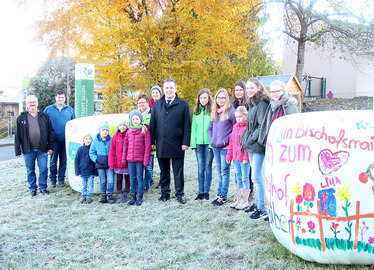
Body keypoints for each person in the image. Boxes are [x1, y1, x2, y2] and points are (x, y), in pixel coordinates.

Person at [150, 78, 191, 204]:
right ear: (163, 89)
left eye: (171, 87)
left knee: (178, 171)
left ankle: (179, 194)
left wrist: (185, 142)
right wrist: (152, 142)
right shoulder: (157, 104)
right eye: (166, 88)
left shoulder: (183, 104)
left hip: (178, 144)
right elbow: (153, 124)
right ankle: (165, 193)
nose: (168, 90)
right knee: (164, 171)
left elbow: (187, 125)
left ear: (175, 89)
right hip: (161, 143)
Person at [241, 78, 270, 219]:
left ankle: (262, 208)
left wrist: (250, 139)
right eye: (247, 88)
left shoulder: (261, 104)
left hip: (257, 145)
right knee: (254, 178)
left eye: (252, 87)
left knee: (257, 178)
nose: (249, 90)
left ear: (258, 88)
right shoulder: (252, 104)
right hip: (251, 146)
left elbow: (261, 126)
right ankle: (258, 204)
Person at [15, 95, 54, 196]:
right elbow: (17, 135)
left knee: (44, 169)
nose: (32, 104)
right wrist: (18, 151)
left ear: (37, 103)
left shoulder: (44, 116)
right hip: (28, 150)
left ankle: (43, 188)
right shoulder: (21, 117)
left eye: (34, 102)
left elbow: (50, 132)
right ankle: (33, 189)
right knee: (30, 170)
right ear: (26, 104)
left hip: (42, 149)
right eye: (30, 102)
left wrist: (50, 147)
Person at [208, 88, 236, 206]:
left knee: (225, 171)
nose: (220, 100)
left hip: (225, 148)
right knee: (219, 171)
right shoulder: (214, 111)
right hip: (215, 146)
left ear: (227, 99)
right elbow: (210, 128)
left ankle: (223, 196)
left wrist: (226, 140)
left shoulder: (231, 112)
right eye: (218, 98)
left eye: (223, 98)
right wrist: (212, 140)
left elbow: (235, 129)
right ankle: (219, 194)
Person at [44, 90, 75, 188]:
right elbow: (44, 124)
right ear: (55, 98)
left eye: (62, 97)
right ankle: (52, 180)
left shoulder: (69, 109)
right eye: (59, 97)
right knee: (53, 161)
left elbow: (74, 123)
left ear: (64, 98)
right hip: (53, 140)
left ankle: (61, 179)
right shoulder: (49, 109)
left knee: (64, 161)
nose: (61, 99)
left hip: (66, 140)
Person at [258, 80, 300, 147]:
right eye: (272, 92)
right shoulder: (271, 106)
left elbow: (296, 128)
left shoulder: (290, 107)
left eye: (277, 91)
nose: (275, 94)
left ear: (283, 91)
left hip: (287, 144)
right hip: (273, 143)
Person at [122, 110, 151, 206]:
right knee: (132, 178)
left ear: (140, 120)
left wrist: (146, 160)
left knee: (139, 178)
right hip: (130, 160)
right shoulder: (129, 131)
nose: (135, 121)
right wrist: (124, 159)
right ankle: (133, 196)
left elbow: (147, 146)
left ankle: (139, 196)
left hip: (140, 160)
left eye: (137, 119)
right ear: (131, 120)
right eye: (133, 119)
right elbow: (125, 146)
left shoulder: (144, 130)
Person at [190, 88, 214, 200]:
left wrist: (211, 144)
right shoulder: (196, 111)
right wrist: (193, 144)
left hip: (209, 143)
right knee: (200, 167)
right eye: (201, 98)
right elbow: (194, 128)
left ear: (209, 98)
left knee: (208, 167)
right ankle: (200, 192)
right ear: (198, 99)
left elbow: (214, 128)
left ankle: (207, 191)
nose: (203, 100)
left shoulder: (212, 110)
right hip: (199, 143)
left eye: (205, 97)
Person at [226, 106, 251, 210]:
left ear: (245, 116)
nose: (238, 119)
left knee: (245, 178)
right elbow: (232, 143)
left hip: (244, 159)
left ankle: (245, 200)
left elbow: (248, 144)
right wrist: (229, 155)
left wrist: (246, 157)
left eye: (240, 117)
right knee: (238, 178)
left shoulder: (248, 127)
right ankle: (238, 199)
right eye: (237, 117)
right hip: (236, 158)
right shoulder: (235, 127)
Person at [89, 122, 114, 204]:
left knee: (110, 180)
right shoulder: (95, 141)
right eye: (103, 130)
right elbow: (91, 152)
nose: (105, 132)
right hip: (100, 164)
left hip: (109, 164)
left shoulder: (111, 140)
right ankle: (103, 195)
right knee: (103, 180)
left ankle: (109, 195)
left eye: (107, 130)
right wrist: (96, 159)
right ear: (100, 131)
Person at [108, 119, 130, 203]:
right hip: (118, 162)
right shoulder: (115, 136)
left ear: (127, 126)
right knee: (119, 179)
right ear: (118, 126)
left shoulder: (129, 134)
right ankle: (119, 194)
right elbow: (112, 150)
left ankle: (126, 194)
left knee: (127, 178)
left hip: (127, 162)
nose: (122, 127)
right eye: (120, 125)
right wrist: (111, 163)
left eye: (124, 125)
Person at [137, 94, 155, 193]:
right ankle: (139, 185)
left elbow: (154, 129)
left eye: (143, 102)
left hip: (149, 144)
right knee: (140, 167)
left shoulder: (152, 113)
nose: (141, 104)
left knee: (148, 168)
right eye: (139, 103)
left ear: (147, 102)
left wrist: (153, 142)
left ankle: (146, 186)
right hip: (138, 146)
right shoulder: (135, 114)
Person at [74, 134, 96, 204]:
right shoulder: (80, 149)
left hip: (90, 171)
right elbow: (76, 160)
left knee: (90, 185)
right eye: (86, 138)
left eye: (90, 139)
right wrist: (77, 171)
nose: (88, 140)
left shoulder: (92, 149)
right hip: (82, 171)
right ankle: (83, 196)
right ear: (83, 140)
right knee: (83, 185)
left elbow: (95, 162)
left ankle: (89, 196)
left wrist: (95, 172)